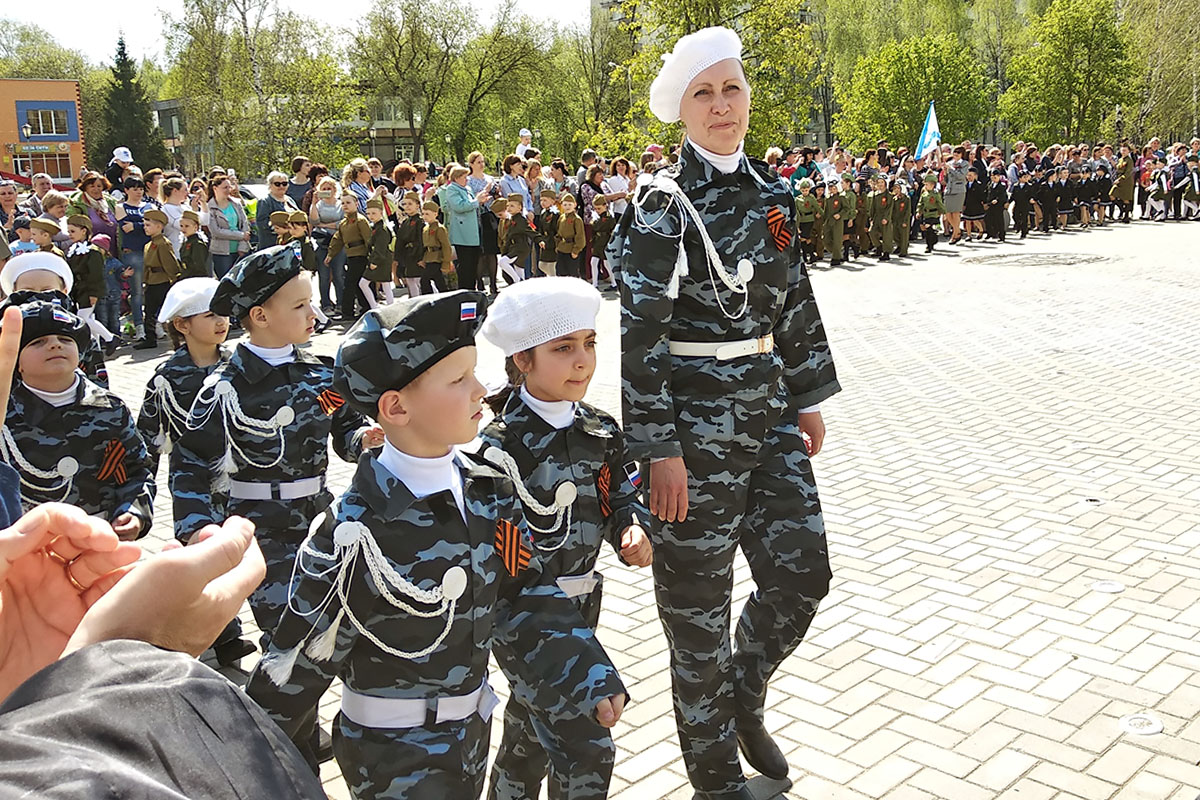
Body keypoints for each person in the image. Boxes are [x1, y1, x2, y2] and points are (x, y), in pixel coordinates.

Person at [244, 291, 627, 797]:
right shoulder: (352, 531)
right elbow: (294, 667)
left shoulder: (487, 489)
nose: (480, 391)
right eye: (459, 379)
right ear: (396, 407)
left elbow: (523, 591)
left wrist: (588, 673)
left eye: (474, 373)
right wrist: (243, 764)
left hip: (469, 736)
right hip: (392, 755)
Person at [613, 27, 838, 799]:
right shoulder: (660, 207)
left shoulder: (774, 192)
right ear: (681, 109)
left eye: (731, 90)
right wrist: (657, 450)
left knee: (804, 574)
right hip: (691, 435)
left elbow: (795, 296)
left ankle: (745, 694)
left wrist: (805, 395)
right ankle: (714, 782)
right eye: (703, 94)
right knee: (697, 623)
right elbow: (639, 336)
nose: (721, 106)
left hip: (769, 413)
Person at [479, 278, 650, 800]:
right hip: (523, 613)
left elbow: (621, 493)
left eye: (589, 344)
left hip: (583, 599)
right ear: (522, 361)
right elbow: (501, 549)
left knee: (531, 729)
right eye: (563, 348)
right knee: (585, 737)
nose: (583, 361)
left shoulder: (601, 429)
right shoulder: (496, 446)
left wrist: (631, 527)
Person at [171, 245, 380, 647]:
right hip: (259, 529)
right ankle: (282, 710)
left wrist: (364, 440)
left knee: (337, 627)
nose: (313, 315)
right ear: (260, 316)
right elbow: (191, 461)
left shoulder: (320, 374)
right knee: (289, 636)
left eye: (312, 303)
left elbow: (346, 429)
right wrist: (197, 528)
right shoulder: (225, 389)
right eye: (300, 305)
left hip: (320, 520)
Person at [0, 299, 153, 539]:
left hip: (101, 539)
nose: (54, 346)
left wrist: (133, 512)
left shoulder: (109, 408)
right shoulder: (4, 416)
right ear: (16, 362)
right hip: (28, 546)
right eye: (38, 342)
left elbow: (137, 470)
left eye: (65, 340)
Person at [134, 209, 182, 350]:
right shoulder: (148, 245)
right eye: (144, 225)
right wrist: (145, 281)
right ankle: (150, 338)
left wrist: (175, 279)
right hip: (152, 281)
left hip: (162, 282)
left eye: (148, 225)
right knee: (149, 312)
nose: (145, 227)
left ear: (159, 227)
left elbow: (170, 263)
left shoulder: (162, 243)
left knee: (169, 312)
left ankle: (178, 338)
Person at [440, 165, 490, 293]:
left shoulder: (467, 189)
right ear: (456, 178)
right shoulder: (452, 189)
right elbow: (459, 206)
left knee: (473, 265)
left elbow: (472, 204)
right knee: (465, 266)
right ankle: (464, 292)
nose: (467, 179)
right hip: (462, 235)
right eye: (464, 177)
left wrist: (480, 201)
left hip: (473, 233)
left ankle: (471, 291)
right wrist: (476, 201)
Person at [327, 193, 373, 320]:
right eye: (343, 203)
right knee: (356, 284)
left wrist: (372, 257)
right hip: (351, 256)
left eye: (348, 203)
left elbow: (368, 239)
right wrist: (331, 254)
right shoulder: (344, 223)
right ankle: (365, 308)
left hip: (361, 256)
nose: (345, 205)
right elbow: (338, 239)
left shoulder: (360, 220)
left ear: (356, 204)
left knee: (350, 283)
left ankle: (348, 312)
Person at [308, 176, 345, 312]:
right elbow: (314, 221)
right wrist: (313, 203)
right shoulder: (318, 205)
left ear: (335, 190)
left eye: (329, 188)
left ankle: (341, 303)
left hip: (338, 243)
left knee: (338, 274)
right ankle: (325, 304)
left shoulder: (340, 204)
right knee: (323, 275)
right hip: (322, 243)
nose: (327, 191)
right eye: (324, 189)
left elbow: (342, 223)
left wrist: (326, 225)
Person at [207, 173, 251, 279]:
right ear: (215, 188)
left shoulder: (236, 203)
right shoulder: (210, 207)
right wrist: (241, 236)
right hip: (221, 252)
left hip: (239, 249)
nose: (228, 190)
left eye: (229, 187)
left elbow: (244, 224)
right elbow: (216, 231)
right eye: (224, 187)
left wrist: (242, 246)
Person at [362, 198, 394, 308]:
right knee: (385, 284)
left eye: (374, 213)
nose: (371, 216)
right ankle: (387, 306)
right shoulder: (376, 227)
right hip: (380, 259)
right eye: (369, 213)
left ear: (381, 213)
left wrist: (374, 261)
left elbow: (380, 247)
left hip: (381, 259)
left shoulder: (382, 229)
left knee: (364, 283)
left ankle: (376, 306)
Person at [393, 192, 425, 298]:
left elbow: (422, 241)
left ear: (417, 205)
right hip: (407, 256)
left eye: (410, 204)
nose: (407, 207)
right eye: (405, 204)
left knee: (418, 281)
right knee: (410, 280)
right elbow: (400, 241)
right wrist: (397, 258)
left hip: (416, 255)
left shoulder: (420, 222)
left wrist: (421, 257)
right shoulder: (405, 222)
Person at [256, 172, 299, 251]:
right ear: (270, 185)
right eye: (277, 184)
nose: (281, 186)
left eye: (284, 183)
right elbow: (262, 224)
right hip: (272, 246)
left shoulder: (290, 200)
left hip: (291, 244)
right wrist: (282, 230)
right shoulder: (265, 201)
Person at [419, 200, 453, 294]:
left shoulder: (439, 228)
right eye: (423, 214)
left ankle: (429, 299)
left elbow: (446, 246)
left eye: (427, 214)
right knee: (439, 282)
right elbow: (425, 246)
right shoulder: (425, 228)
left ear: (435, 214)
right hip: (429, 258)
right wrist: (423, 259)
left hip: (437, 258)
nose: (425, 216)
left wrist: (446, 262)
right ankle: (444, 297)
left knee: (424, 280)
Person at [499, 194, 534, 285]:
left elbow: (530, 231)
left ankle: (518, 281)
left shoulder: (521, 220)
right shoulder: (511, 219)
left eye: (512, 206)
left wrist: (540, 240)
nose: (509, 208)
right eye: (507, 206)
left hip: (520, 248)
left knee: (502, 262)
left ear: (519, 208)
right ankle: (521, 284)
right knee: (519, 269)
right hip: (514, 247)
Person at [554, 193, 584, 278]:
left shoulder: (577, 219)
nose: (567, 206)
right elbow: (558, 232)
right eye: (565, 204)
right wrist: (557, 245)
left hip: (571, 249)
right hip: (562, 248)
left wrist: (576, 250)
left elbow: (580, 236)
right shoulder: (562, 217)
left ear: (575, 205)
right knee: (560, 271)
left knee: (572, 272)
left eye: (570, 204)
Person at [821, 179, 849, 266]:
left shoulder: (841, 197)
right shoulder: (828, 198)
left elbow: (846, 208)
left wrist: (840, 214)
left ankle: (836, 258)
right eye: (830, 188)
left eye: (834, 188)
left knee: (837, 239)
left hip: (837, 221)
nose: (832, 190)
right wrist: (824, 221)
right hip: (829, 220)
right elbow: (826, 211)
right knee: (825, 239)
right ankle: (837, 252)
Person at [178, 209, 211, 279]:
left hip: (195, 279)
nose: (183, 229)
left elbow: (199, 267)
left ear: (195, 227)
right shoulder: (186, 242)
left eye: (187, 226)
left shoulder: (197, 244)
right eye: (181, 226)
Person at [918, 173, 946, 253]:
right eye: (925, 184)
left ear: (933, 185)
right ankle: (929, 245)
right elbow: (921, 203)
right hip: (926, 214)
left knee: (933, 229)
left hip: (934, 214)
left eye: (927, 184)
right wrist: (918, 212)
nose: (926, 186)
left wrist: (944, 213)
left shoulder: (936, 194)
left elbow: (940, 204)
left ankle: (932, 242)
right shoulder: (924, 194)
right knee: (927, 231)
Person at [867, 176, 893, 261]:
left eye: (882, 182)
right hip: (876, 217)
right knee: (872, 232)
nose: (880, 184)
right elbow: (873, 207)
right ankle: (878, 247)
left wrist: (886, 218)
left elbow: (889, 208)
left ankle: (886, 252)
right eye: (879, 183)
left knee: (886, 235)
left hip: (885, 217)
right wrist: (871, 217)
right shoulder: (876, 194)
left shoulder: (889, 195)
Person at [536, 190, 560, 277]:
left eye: (545, 200)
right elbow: (541, 228)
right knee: (542, 265)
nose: (542, 202)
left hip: (552, 242)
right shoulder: (543, 213)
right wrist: (541, 239)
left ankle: (554, 281)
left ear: (553, 201)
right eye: (541, 200)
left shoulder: (555, 214)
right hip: (545, 241)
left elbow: (556, 229)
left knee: (551, 265)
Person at [984, 168, 1009, 241]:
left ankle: (1001, 236)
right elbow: (986, 193)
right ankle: (990, 233)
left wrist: (997, 200)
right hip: (990, 205)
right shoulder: (989, 184)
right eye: (992, 176)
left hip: (998, 206)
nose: (994, 178)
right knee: (988, 219)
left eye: (995, 177)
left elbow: (1003, 195)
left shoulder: (1002, 185)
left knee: (999, 221)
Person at [890, 180, 912, 257]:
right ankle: (899, 246)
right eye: (895, 188)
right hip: (895, 219)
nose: (896, 190)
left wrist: (905, 221)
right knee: (895, 234)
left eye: (898, 188)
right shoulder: (894, 199)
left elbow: (908, 211)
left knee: (904, 236)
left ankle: (904, 250)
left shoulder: (906, 199)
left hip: (903, 219)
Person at [1010, 171, 1034, 239]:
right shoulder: (1016, 186)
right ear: (1020, 178)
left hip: (1025, 205)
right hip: (1017, 204)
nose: (1026, 178)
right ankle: (1018, 226)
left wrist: (1031, 199)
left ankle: (1024, 232)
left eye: (1027, 177)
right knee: (1015, 216)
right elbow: (1013, 195)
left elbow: (1031, 195)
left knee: (1024, 218)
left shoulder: (1029, 186)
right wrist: (1009, 202)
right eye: (1024, 177)